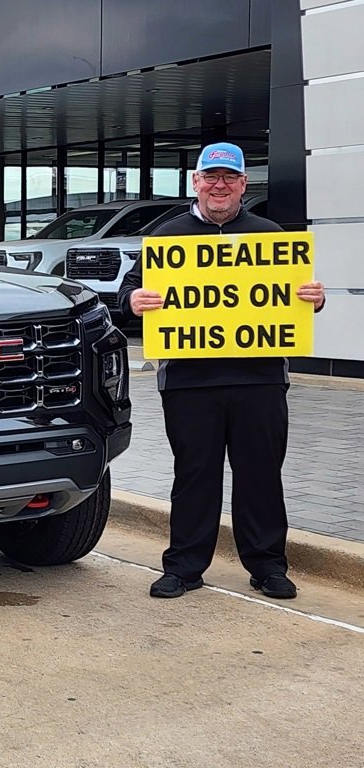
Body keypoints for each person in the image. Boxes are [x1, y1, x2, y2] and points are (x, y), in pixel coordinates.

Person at [118, 142, 326, 600]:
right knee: (194, 476)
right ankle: (185, 567)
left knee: (261, 477)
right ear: (196, 182)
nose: (219, 185)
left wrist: (316, 297)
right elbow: (130, 292)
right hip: (190, 382)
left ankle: (268, 565)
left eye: (229, 178)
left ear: (243, 185)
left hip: (260, 380)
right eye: (211, 177)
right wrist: (133, 301)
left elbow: (297, 298)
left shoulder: (271, 235)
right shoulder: (167, 238)